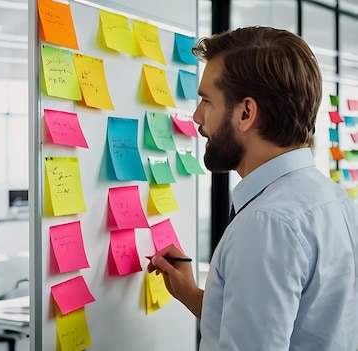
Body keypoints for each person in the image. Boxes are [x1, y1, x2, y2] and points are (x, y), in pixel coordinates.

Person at [149, 26, 358, 350]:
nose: (196, 117)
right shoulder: (334, 200)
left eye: (207, 101)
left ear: (246, 113)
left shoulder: (267, 224)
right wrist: (192, 295)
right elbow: (280, 329)